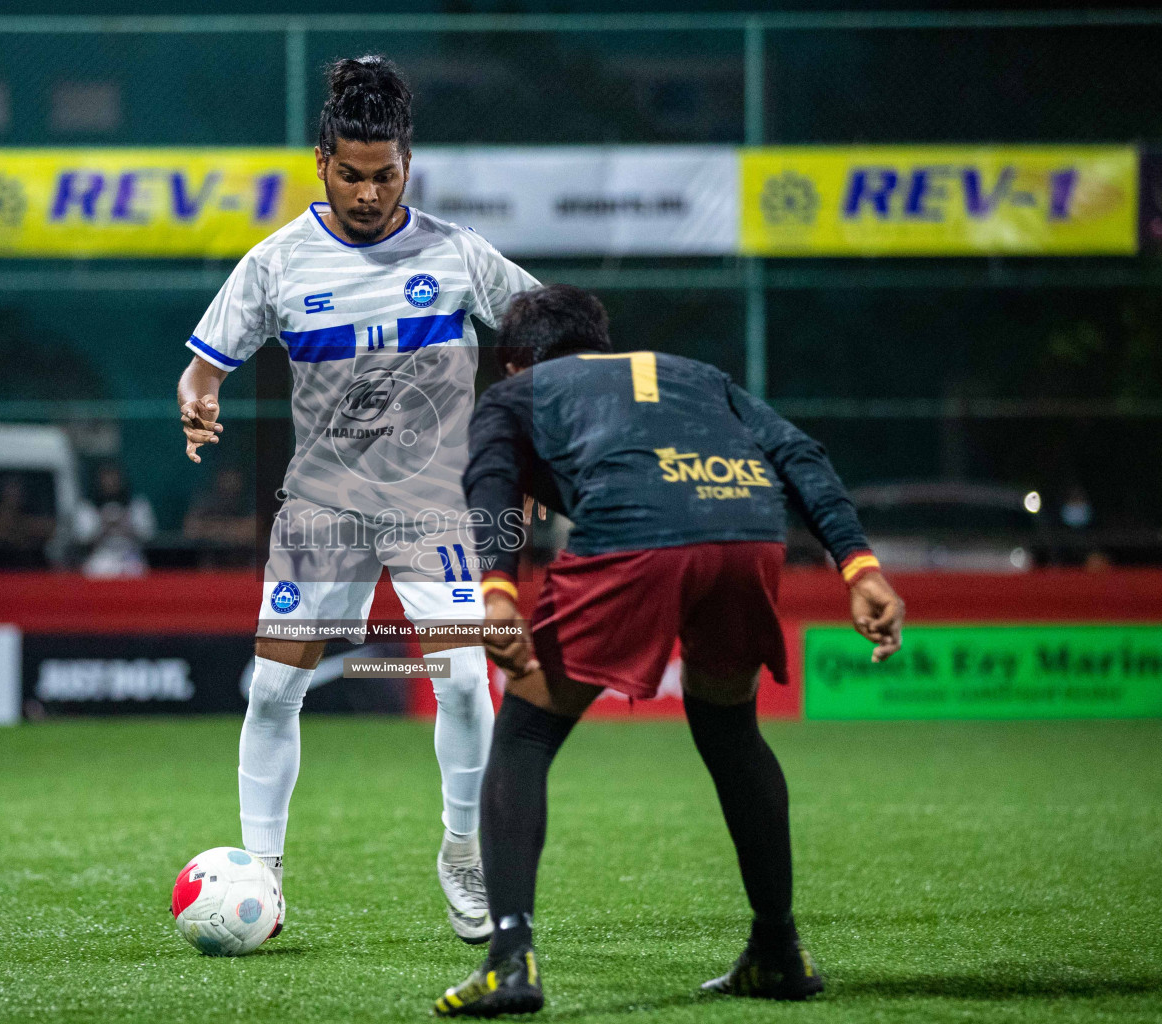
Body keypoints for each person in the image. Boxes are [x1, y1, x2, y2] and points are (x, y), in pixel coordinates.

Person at [433, 285, 905, 1015]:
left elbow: (489, 482)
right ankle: (778, 950)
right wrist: (859, 566)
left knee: (525, 734)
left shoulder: (518, 391)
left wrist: (497, 590)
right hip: (747, 529)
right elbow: (797, 452)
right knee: (730, 729)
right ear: (602, 341)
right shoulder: (697, 376)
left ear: (513, 359)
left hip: (636, 532)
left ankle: (508, 961)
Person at [175, 55, 540, 943]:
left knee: (461, 680)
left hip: (435, 504)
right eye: (351, 174)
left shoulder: (456, 253)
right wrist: (199, 394)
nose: (369, 193)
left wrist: (536, 432)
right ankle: (260, 874)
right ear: (321, 164)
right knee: (271, 690)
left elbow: (545, 331)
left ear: (407, 166)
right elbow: (204, 365)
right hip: (324, 510)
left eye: (385, 176)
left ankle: (464, 852)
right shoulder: (275, 264)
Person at [74, 462, 156, 577]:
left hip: (130, 555)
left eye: (114, 477)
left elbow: (148, 535)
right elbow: (83, 539)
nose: (110, 482)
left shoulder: (137, 505)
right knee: (94, 570)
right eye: (106, 478)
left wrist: (125, 524)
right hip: (100, 557)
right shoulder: (87, 507)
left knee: (136, 570)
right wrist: (104, 525)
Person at [0, 474, 55, 571]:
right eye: (10, 490)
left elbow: (48, 528)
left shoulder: (33, 512)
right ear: (2, 492)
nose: (14, 494)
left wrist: (19, 529)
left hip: (31, 571)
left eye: (17, 490)